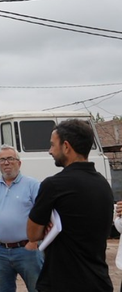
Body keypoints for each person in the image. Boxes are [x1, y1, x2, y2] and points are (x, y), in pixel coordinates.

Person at [27, 119, 114, 292]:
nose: (50, 151)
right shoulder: (103, 184)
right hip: (98, 281)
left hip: (63, 282)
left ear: (66, 147)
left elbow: (32, 234)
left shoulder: (53, 185)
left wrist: (44, 227)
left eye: (52, 145)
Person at [0, 145, 42, 292]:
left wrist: (33, 242)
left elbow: (42, 215)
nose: (6, 163)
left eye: (10, 159)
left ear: (19, 163)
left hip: (27, 250)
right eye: (2, 160)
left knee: (37, 288)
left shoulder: (32, 185)